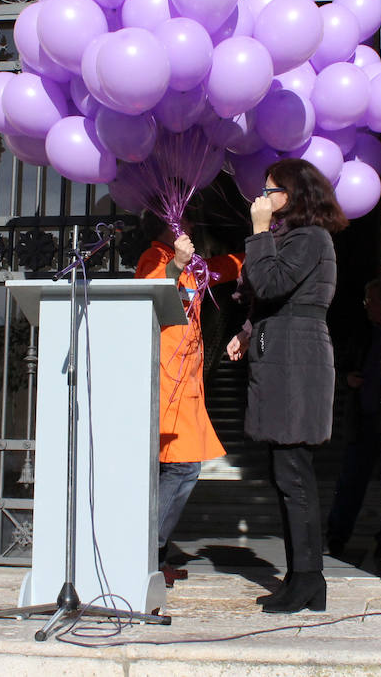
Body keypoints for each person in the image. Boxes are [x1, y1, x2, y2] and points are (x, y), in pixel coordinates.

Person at [227, 159, 348, 613]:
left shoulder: (310, 236)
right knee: (286, 472)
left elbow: (272, 282)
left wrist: (259, 231)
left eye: (271, 190)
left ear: (293, 194)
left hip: (297, 359)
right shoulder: (294, 237)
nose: (263, 197)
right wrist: (247, 332)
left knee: (294, 472)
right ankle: (301, 577)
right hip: (281, 353)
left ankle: (309, 579)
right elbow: (269, 296)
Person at [134, 209, 243, 586]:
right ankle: (146, 553)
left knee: (177, 469)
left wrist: (260, 247)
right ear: (168, 226)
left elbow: (221, 268)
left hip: (185, 385)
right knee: (182, 468)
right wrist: (175, 264)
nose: (194, 226)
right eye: (186, 221)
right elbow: (148, 299)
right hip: (167, 383)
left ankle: (153, 555)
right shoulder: (155, 258)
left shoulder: (192, 266)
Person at [326, 278, 381, 560]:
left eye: (371, 301)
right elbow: (342, 365)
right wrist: (348, 378)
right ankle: (337, 538)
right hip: (363, 420)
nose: (367, 307)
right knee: (350, 482)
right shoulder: (361, 332)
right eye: (366, 301)